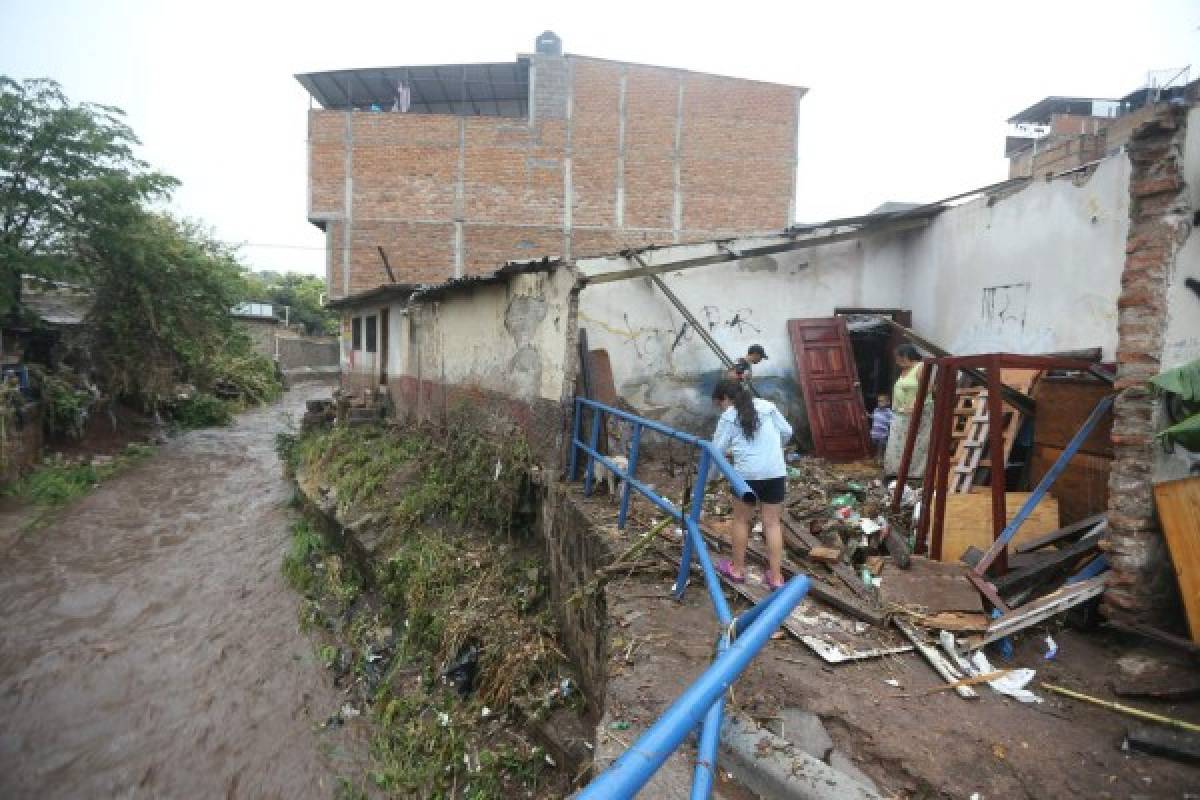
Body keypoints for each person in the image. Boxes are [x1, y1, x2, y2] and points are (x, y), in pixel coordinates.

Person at [710, 379, 792, 590]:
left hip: (746, 476)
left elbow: (716, 451)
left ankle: (737, 570)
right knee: (772, 523)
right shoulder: (768, 407)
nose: (721, 408)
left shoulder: (728, 417)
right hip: (775, 472)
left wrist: (710, 477)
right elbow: (787, 432)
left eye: (720, 403)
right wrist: (774, 450)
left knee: (741, 521)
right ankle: (775, 577)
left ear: (726, 399)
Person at [883, 344, 932, 476]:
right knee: (897, 443)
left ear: (906, 356)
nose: (896, 360)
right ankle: (897, 471)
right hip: (900, 413)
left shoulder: (920, 367)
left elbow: (927, 388)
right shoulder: (904, 370)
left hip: (917, 411)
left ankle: (914, 473)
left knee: (916, 442)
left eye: (898, 357)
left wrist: (915, 404)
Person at [869, 393, 894, 461]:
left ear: (888, 402)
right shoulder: (876, 410)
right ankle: (875, 458)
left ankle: (880, 460)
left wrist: (887, 422)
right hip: (874, 434)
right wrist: (867, 415)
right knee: (874, 447)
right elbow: (873, 417)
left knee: (881, 448)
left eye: (882, 401)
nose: (880, 403)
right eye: (879, 401)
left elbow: (893, 422)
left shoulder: (889, 412)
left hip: (883, 435)